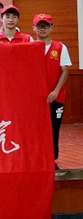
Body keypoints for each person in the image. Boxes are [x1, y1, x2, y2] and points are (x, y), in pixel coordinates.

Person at [33, 13, 71, 172]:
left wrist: (56, 91)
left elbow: (65, 71)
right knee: (36, 130)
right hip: (35, 99)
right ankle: (36, 159)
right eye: (39, 26)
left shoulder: (60, 47)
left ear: (51, 28)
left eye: (46, 26)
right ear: (34, 28)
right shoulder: (30, 47)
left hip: (55, 98)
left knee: (53, 129)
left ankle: (51, 159)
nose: (42, 29)